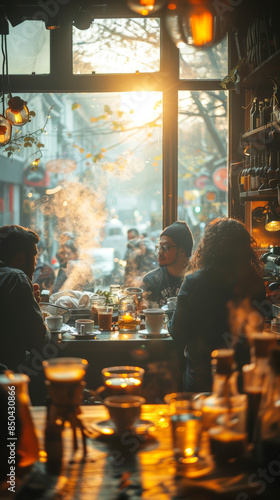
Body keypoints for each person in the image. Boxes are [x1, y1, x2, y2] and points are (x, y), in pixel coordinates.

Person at [168, 217, 266, 393]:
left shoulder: (193, 281)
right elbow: (256, 331)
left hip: (201, 379)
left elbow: (177, 332)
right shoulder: (255, 282)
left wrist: (167, 318)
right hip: (243, 378)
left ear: (209, 246)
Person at [0, 225, 50, 372]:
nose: (36, 264)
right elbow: (37, 340)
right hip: (8, 381)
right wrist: (41, 316)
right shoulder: (16, 277)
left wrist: (27, 301)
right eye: (35, 255)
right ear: (20, 258)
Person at [141, 221, 193, 308]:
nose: (160, 252)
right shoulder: (151, 280)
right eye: (159, 247)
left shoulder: (196, 280)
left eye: (165, 247)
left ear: (182, 251)